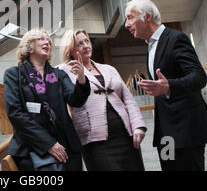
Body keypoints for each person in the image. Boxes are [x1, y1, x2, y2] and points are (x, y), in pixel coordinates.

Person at [124, 0, 207, 171]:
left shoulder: (176, 38)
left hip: (186, 131)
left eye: (130, 17)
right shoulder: (151, 46)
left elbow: (199, 77)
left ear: (148, 17)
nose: (126, 24)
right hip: (166, 133)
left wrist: (169, 87)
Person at [58, 29, 146, 171]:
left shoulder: (109, 69)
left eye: (87, 41)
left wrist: (138, 126)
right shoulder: (62, 72)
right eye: (80, 44)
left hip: (126, 137)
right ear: (70, 50)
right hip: (95, 142)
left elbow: (128, 100)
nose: (86, 45)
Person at [3, 28, 90, 171]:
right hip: (33, 148)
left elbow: (76, 100)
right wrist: (48, 143)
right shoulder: (14, 75)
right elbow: (15, 113)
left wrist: (81, 79)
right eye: (42, 39)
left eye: (49, 41)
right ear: (29, 46)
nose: (47, 43)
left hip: (67, 146)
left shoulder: (59, 74)